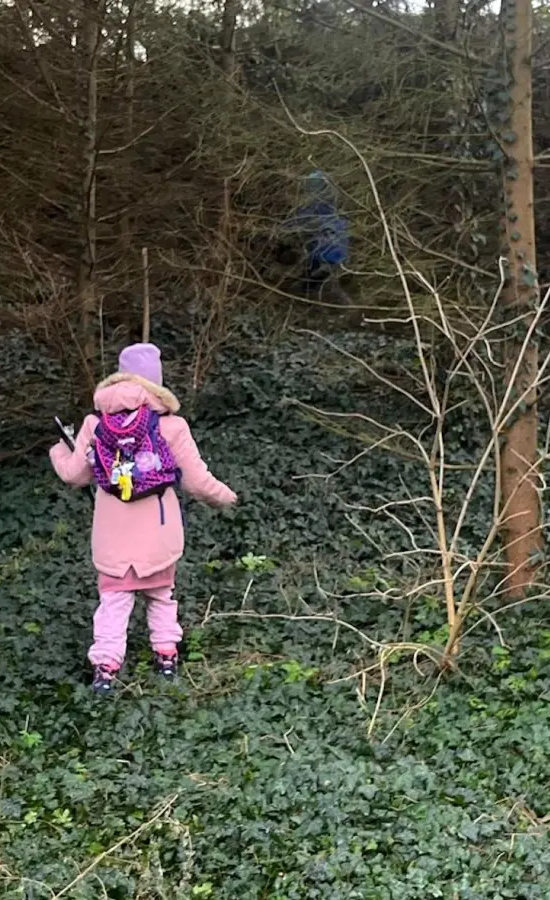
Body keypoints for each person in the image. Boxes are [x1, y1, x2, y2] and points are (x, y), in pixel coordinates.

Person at [50, 343, 237, 695]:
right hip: (159, 531)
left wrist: (60, 449)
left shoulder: (94, 424)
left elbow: (75, 476)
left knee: (113, 601)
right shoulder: (172, 426)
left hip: (112, 534)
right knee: (161, 595)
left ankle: (105, 667)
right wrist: (228, 497)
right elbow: (198, 482)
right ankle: (166, 656)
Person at [282, 170, 351, 304]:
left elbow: (299, 222)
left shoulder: (314, 208)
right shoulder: (334, 207)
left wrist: (282, 229)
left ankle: (309, 291)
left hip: (325, 253)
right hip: (337, 254)